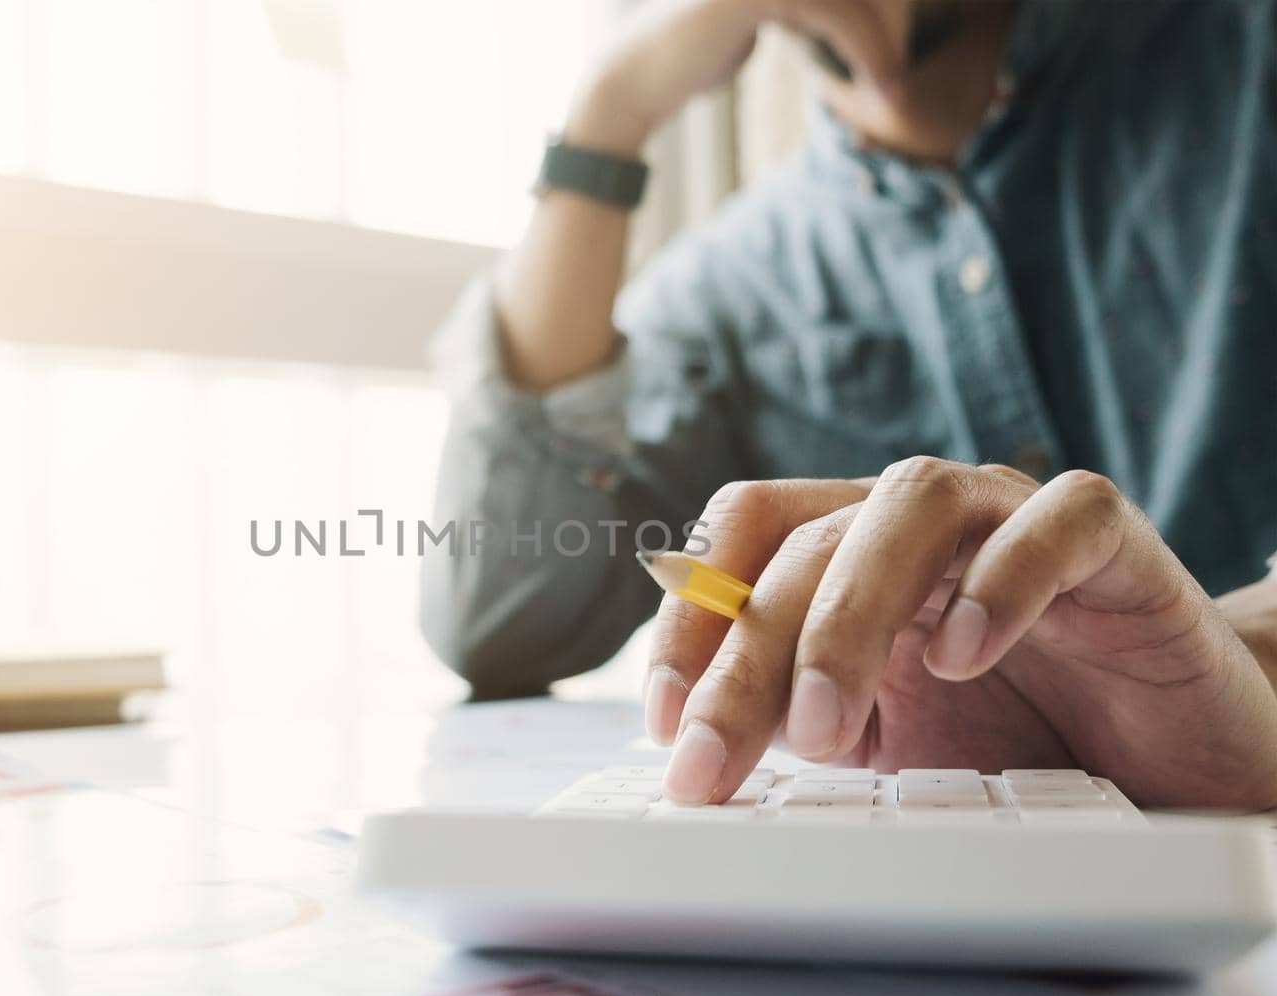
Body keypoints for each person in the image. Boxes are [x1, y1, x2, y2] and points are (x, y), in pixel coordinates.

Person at [419, 0, 1277, 810]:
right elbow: (500, 613)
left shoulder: (1247, 60)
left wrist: (1249, 666)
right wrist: (610, 110)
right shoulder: (733, 285)